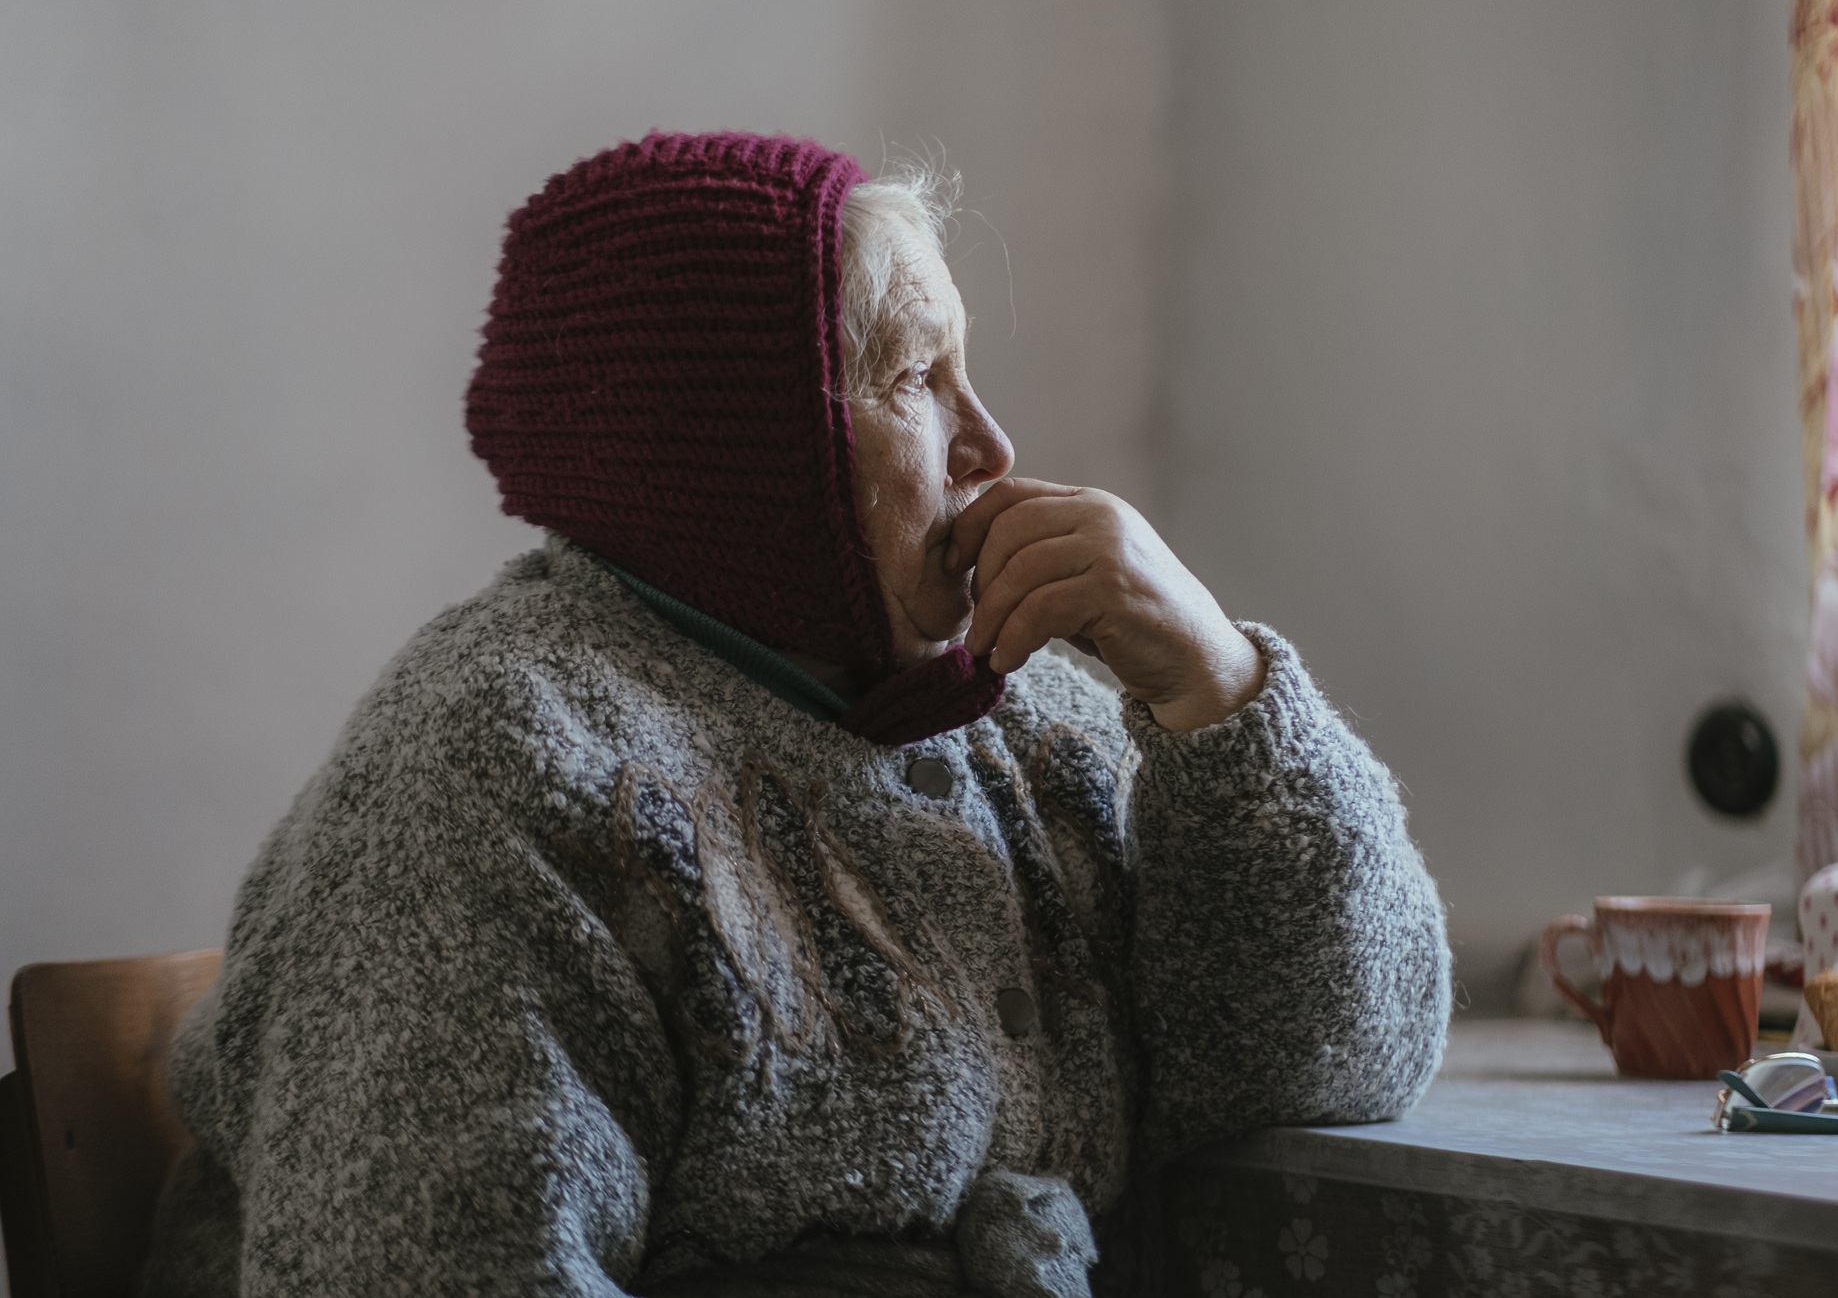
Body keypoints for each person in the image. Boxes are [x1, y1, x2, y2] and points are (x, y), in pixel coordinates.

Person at [140, 132, 1451, 1298]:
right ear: (740, 446)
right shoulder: (500, 759)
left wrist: (1214, 691)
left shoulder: (1024, 704)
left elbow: (1335, 1064)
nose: (992, 446)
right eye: (916, 379)